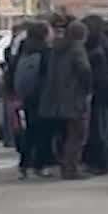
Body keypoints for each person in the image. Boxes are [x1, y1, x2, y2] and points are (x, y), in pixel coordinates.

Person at [38, 20, 92, 180]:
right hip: (76, 96)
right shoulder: (77, 49)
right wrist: (88, 89)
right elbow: (84, 70)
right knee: (79, 134)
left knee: (69, 134)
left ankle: (67, 166)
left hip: (58, 97)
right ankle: (71, 168)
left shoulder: (57, 49)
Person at [10, 21, 52, 178]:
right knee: (44, 132)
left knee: (30, 131)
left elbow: (12, 70)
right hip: (43, 96)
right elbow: (49, 76)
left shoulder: (23, 49)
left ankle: (24, 164)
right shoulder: (46, 51)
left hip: (27, 97)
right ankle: (40, 165)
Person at [82, 16, 108, 176]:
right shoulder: (105, 42)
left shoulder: (94, 47)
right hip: (105, 89)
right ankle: (102, 160)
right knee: (101, 126)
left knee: (96, 127)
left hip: (96, 90)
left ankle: (100, 161)